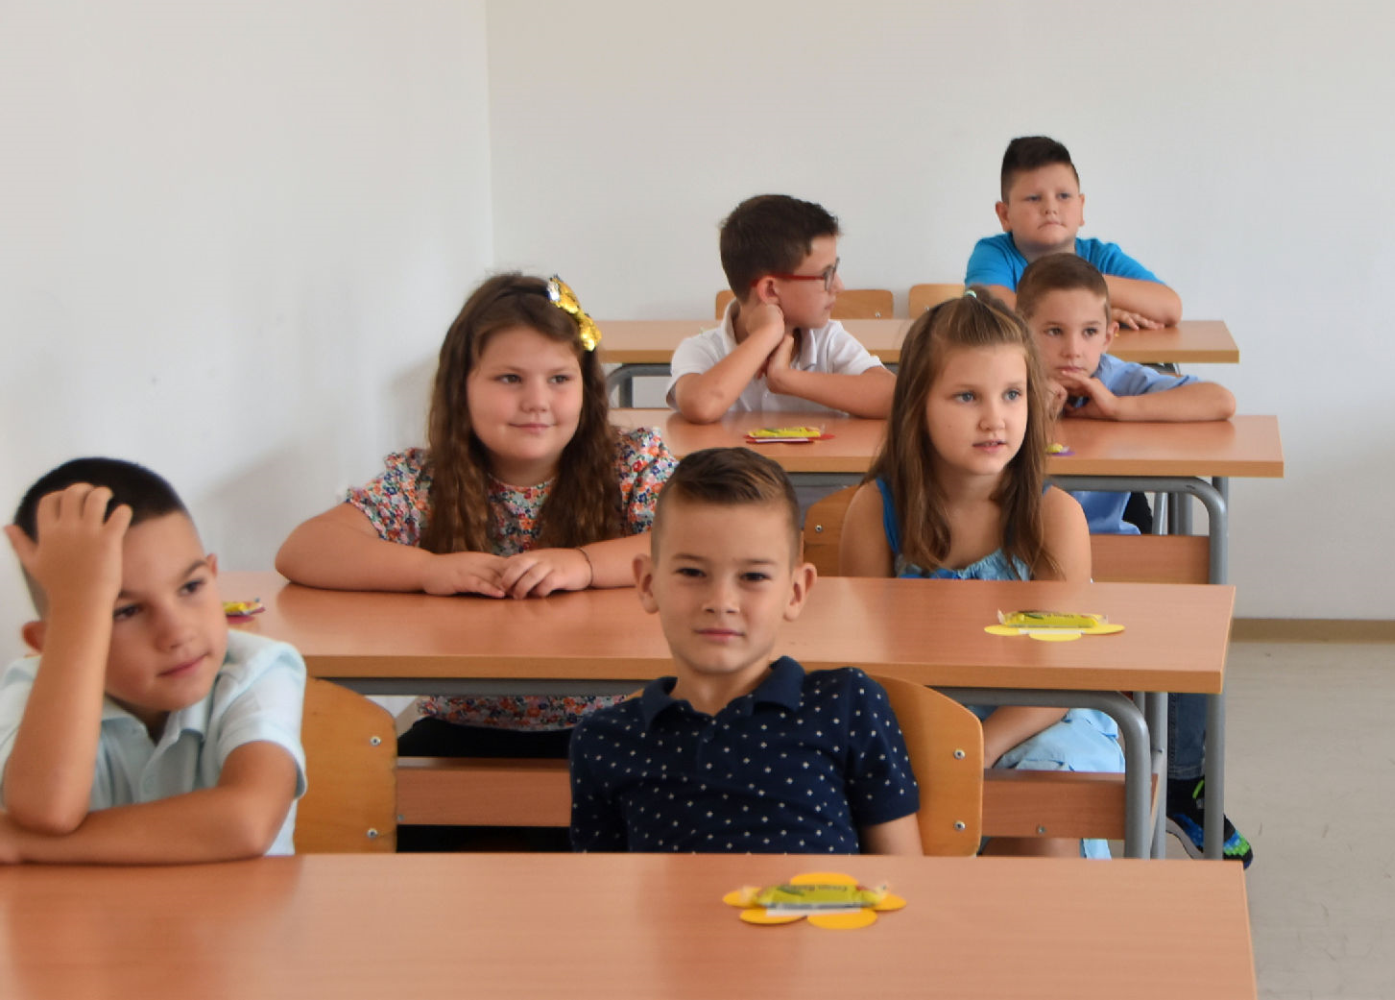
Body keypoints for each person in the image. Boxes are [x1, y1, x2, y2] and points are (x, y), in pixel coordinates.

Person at [276, 274, 676, 779]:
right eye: (509, 379)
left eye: (559, 378)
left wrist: (584, 564)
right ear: (460, 388)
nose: (537, 400)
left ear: (587, 388)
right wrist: (428, 570)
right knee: (364, 792)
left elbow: (699, 543)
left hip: (613, 721)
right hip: (458, 728)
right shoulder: (425, 480)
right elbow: (305, 547)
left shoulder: (631, 462)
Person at [838, 292, 1121, 857]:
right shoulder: (875, 511)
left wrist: (977, 748)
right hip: (915, 719)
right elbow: (863, 670)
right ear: (917, 404)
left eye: (1013, 394)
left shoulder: (1054, 517)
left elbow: (1060, 681)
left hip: (1035, 721)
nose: (995, 419)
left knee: (1042, 807)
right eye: (967, 396)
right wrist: (938, 746)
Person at [1015, 254, 1253, 865]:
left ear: (1111, 335)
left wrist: (1119, 409)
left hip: (1107, 570)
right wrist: (1029, 413)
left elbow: (1220, 399)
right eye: (1053, 331)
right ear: (1021, 330)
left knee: (1186, 621)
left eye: (1089, 332)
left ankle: (1180, 783)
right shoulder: (1004, 384)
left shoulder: (1118, 380)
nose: (1074, 349)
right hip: (1014, 571)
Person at [569, 448, 921, 855]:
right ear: (648, 584)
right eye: (692, 572)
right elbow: (601, 888)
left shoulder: (846, 704)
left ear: (795, 592)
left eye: (753, 576)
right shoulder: (606, 740)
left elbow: (903, 876)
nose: (721, 601)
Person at [0, 458, 305, 863]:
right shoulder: (31, 689)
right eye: (124, 611)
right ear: (50, 643)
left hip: (240, 907)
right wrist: (79, 608)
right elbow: (47, 811)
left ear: (214, 574)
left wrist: (25, 844)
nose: (177, 632)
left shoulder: (258, 669)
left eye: (191, 586)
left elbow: (246, 822)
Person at [669, 195, 895, 422]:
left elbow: (895, 398)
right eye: (826, 274)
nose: (839, 286)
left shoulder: (827, 341)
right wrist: (767, 333)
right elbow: (701, 406)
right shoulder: (702, 349)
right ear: (770, 290)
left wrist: (785, 378)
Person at [964, 136, 1182, 330]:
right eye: (1033, 198)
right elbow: (991, 310)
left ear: (1081, 207)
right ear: (1005, 215)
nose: (1050, 208)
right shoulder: (993, 253)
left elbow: (1170, 307)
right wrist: (1091, 317)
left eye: (1064, 196)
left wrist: (1088, 287)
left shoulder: (1102, 256)